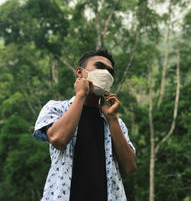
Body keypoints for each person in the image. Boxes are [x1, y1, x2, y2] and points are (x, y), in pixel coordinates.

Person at [33, 49, 136, 201]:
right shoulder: (56, 108)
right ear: (80, 73)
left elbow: (130, 167)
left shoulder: (116, 123)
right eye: (100, 67)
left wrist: (112, 118)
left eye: (110, 72)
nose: (106, 74)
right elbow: (58, 139)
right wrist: (81, 95)